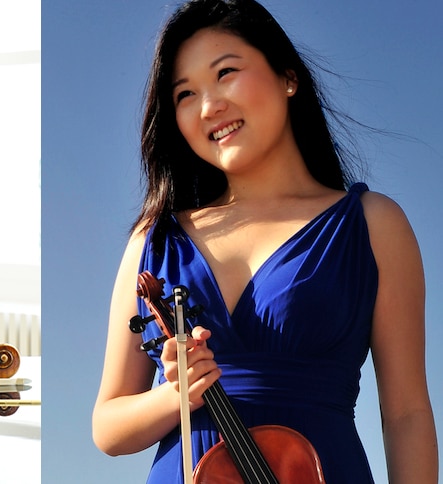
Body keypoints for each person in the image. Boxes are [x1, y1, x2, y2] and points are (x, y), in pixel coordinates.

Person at [91, 0, 438, 483]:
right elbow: (108, 427)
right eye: (185, 94)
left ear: (287, 77)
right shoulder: (154, 240)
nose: (209, 106)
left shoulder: (373, 223)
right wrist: (176, 395)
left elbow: (406, 415)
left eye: (226, 72)